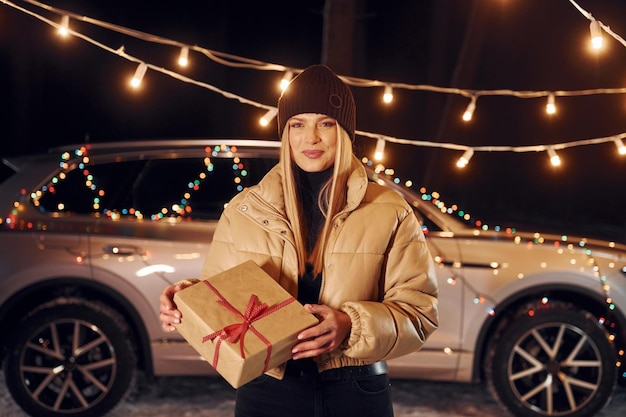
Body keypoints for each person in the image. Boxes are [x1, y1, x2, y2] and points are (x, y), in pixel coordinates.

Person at [159, 64, 439, 417]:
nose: (311, 138)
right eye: (297, 124)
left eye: (325, 123)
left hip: (355, 390)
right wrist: (185, 296)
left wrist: (351, 324)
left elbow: (419, 313)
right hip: (266, 390)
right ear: (285, 133)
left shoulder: (388, 210)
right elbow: (222, 297)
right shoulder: (244, 209)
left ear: (345, 132)